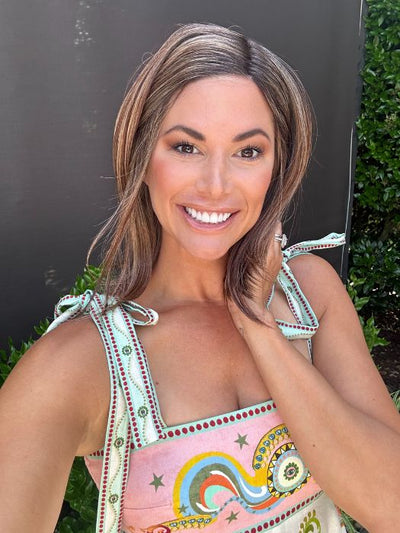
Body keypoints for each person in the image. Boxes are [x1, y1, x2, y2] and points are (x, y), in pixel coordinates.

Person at [0, 22, 399, 533]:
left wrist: (259, 328)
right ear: (143, 157)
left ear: (276, 168)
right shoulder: (82, 360)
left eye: (248, 151)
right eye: (187, 147)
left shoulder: (310, 292)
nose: (215, 185)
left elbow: (391, 507)